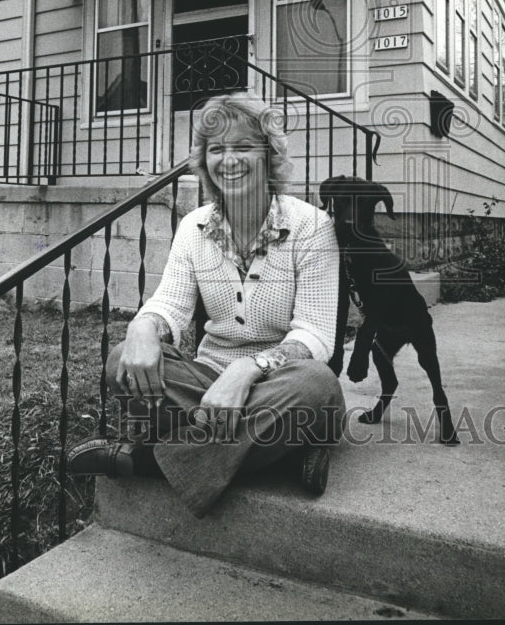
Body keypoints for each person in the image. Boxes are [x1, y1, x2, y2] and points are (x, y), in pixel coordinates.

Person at [68, 92, 345, 518]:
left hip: (282, 382)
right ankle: (285, 451)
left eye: (242, 147)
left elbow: (316, 336)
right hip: (208, 383)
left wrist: (250, 369)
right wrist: (144, 326)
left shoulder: (311, 226)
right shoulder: (194, 227)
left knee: (316, 386)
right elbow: (171, 306)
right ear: (204, 160)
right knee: (122, 362)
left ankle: (146, 461)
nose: (228, 160)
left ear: (268, 155)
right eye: (216, 149)